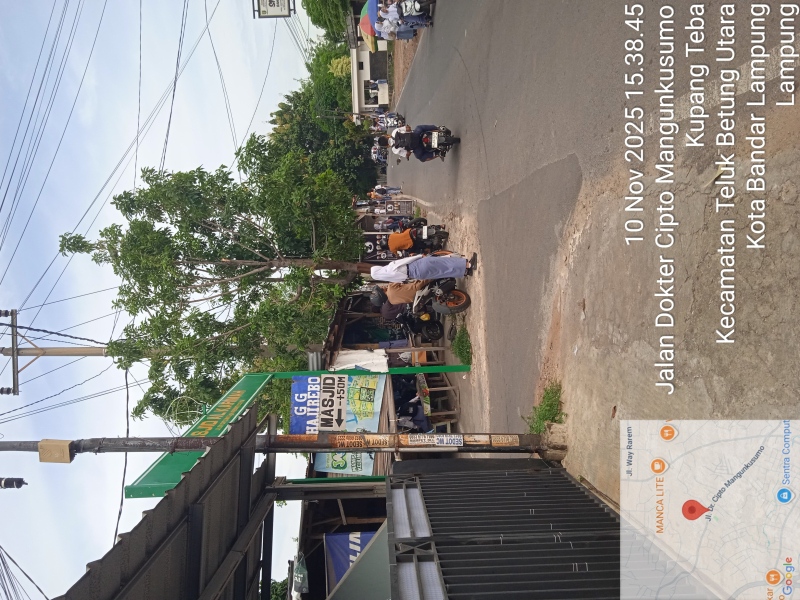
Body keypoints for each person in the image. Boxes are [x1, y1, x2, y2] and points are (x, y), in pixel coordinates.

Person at [370, 253, 477, 282]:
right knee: (445, 262)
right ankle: (469, 265)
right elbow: (406, 260)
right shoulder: (391, 267)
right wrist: (419, 256)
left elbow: (405, 280)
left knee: (443, 272)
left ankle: (464, 272)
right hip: (418, 266)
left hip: (419, 275)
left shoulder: (391, 278)